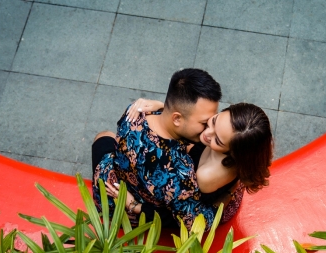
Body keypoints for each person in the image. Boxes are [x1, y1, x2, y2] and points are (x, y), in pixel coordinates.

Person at [91, 68, 272, 230]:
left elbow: (194, 224)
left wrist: (134, 206)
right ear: (176, 118)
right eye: (208, 122)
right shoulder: (181, 174)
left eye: (217, 138)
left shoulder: (135, 111)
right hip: (146, 193)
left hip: (119, 186)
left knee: (103, 137)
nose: (206, 132)